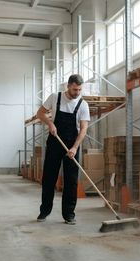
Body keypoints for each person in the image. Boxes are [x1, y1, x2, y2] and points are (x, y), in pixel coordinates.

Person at [36, 75, 90, 225]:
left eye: (79, 89)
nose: (77, 92)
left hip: (72, 145)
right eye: (74, 89)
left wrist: (75, 147)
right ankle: (44, 211)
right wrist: (49, 123)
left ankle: (69, 214)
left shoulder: (83, 104)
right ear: (68, 86)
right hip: (55, 143)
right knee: (49, 178)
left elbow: (84, 128)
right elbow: (40, 113)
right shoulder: (55, 97)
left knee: (71, 181)